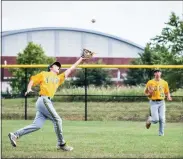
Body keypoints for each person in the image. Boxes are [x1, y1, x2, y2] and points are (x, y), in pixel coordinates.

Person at [8, 57, 88, 151]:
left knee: (37, 125)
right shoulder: (44, 74)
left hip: (45, 102)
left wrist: (81, 59)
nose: (58, 66)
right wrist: (29, 88)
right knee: (58, 120)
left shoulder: (59, 78)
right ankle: (61, 144)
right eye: (56, 65)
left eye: (59, 66)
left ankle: (15, 135)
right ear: (50, 68)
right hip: (44, 100)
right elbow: (33, 80)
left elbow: (71, 68)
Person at [144, 68, 172, 136]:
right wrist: (149, 94)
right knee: (156, 120)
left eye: (158, 72)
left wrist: (168, 96)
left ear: (160, 73)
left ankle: (161, 134)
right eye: (156, 72)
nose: (157, 73)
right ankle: (150, 120)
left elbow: (167, 92)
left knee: (162, 119)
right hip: (153, 102)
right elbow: (145, 92)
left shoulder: (164, 82)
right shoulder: (150, 82)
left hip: (162, 102)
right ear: (154, 74)